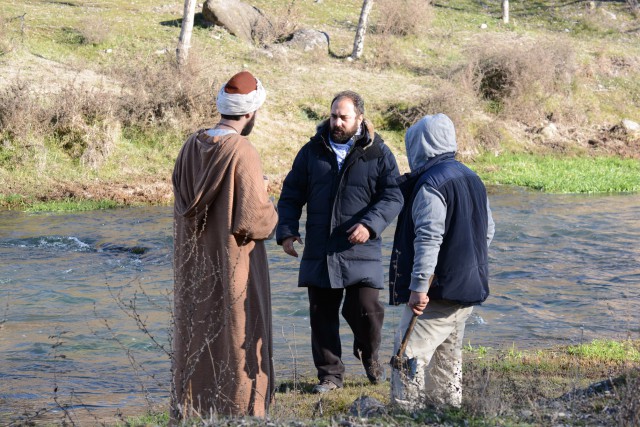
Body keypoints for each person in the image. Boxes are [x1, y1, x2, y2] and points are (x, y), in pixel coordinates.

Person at [276, 90, 403, 394]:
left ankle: (369, 354)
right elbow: (291, 194)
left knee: (368, 310)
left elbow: (393, 195)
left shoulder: (378, 152)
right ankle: (330, 377)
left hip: (361, 247)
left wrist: (370, 226)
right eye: (333, 115)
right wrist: (287, 231)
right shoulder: (312, 151)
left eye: (343, 117)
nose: (337, 122)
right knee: (321, 316)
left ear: (359, 118)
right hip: (320, 248)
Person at [171, 71, 278, 420]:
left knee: (197, 333)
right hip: (234, 265)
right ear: (250, 113)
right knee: (238, 335)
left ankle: (194, 412)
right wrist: (267, 198)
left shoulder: (189, 147)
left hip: (194, 264)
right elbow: (254, 220)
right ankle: (242, 413)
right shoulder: (242, 151)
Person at [388, 113, 495, 410]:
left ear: (418, 146)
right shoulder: (471, 176)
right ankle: (448, 414)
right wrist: (467, 264)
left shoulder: (430, 184)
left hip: (437, 291)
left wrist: (419, 287)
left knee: (406, 356)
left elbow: (429, 238)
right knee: (447, 358)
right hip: (467, 288)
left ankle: (405, 415)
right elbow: (488, 231)